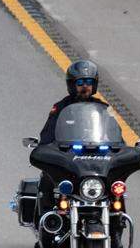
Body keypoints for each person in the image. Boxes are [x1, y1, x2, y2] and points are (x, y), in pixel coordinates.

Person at [35, 60, 108, 226]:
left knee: (116, 187)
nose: (85, 86)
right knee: (46, 179)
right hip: (68, 159)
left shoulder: (103, 109)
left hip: (95, 160)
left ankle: (116, 226)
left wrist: (122, 150)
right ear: (72, 85)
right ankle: (48, 224)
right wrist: (46, 149)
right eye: (80, 82)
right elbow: (47, 135)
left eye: (89, 82)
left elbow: (114, 134)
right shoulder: (60, 108)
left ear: (94, 84)